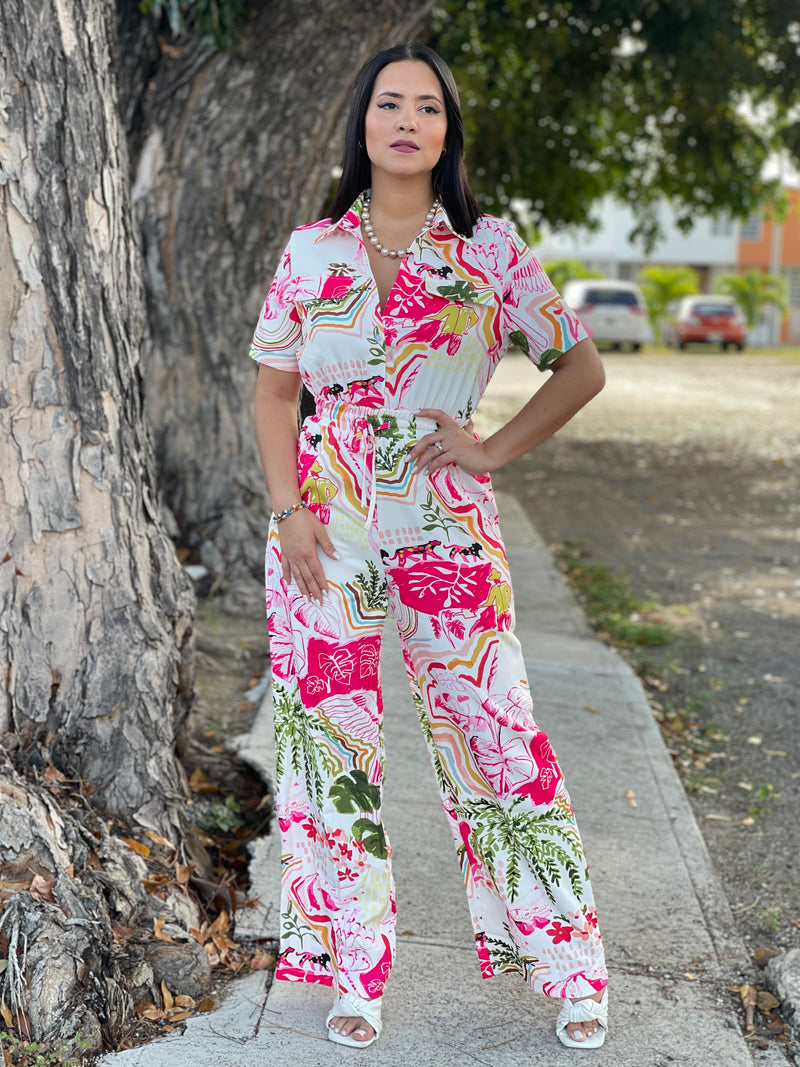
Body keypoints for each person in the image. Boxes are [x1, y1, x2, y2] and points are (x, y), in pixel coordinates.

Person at [250, 42, 609, 1051]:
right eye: (387, 103)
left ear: (447, 133)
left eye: (428, 108)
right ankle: (350, 969)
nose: (406, 120)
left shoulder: (487, 248)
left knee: (498, 736)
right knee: (333, 749)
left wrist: (491, 445)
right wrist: (286, 511)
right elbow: (275, 389)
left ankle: (569, 964)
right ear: (360, 123)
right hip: (326, 524)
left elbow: (577, 368)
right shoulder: (309, 250)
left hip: (448, 524)